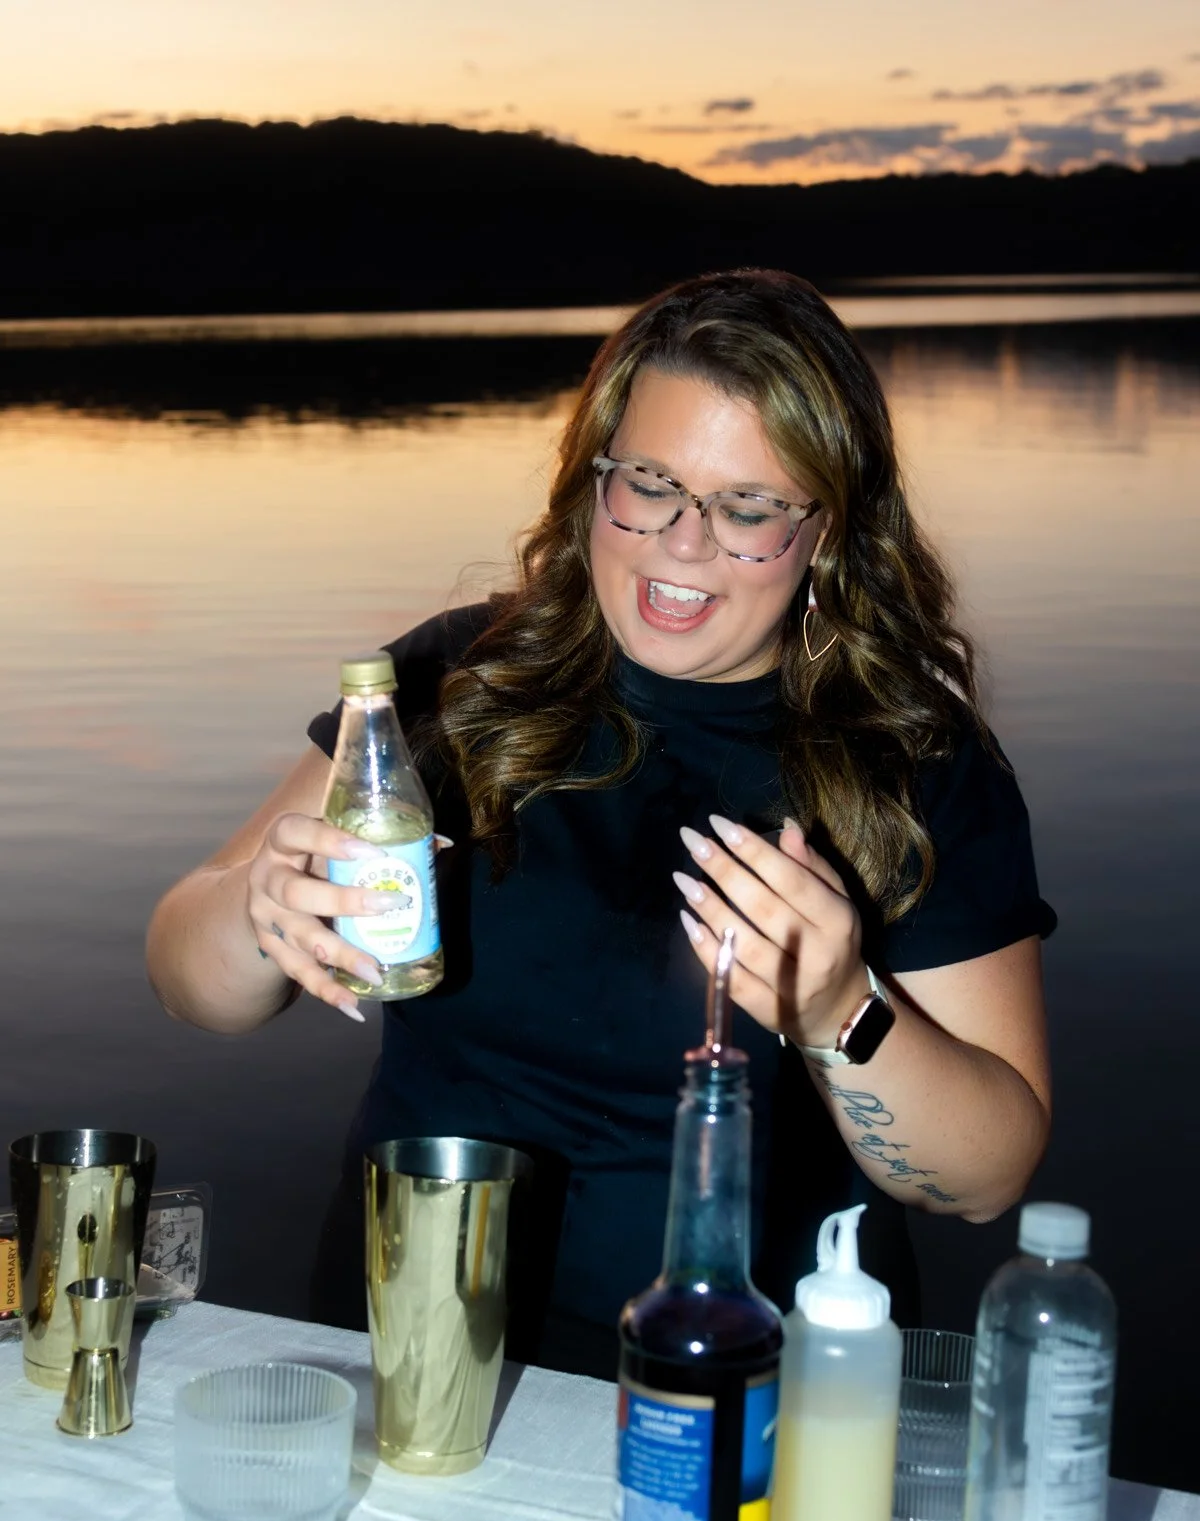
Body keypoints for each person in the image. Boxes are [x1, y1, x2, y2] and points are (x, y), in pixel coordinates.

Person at [146, 269, 1055, 1378]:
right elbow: (189, 984)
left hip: (742, 1387)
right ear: (594, 481)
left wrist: (838, 1008)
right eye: (651, 484)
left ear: (827, 528)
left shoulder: (913, 759)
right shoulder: (456, 684)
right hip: (415, 1351)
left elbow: (984, 1177)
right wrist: (259, 914)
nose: (682, 541)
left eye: (748, 508)